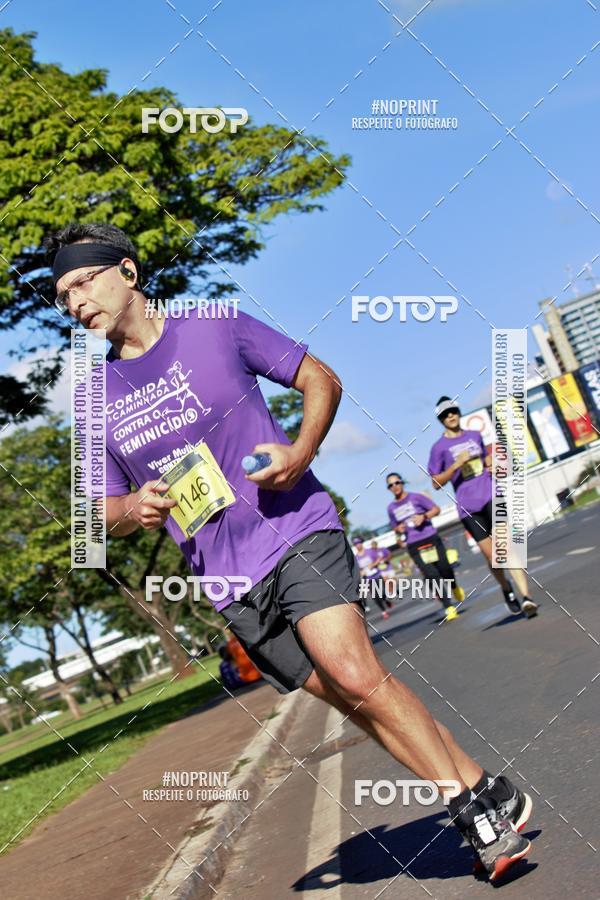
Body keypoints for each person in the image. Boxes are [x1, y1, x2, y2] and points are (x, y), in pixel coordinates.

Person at [46, 223, 532, 882]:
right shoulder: (93, 399)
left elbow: (318, 378)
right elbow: (97, 513)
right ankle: (487, 789)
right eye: (61, 295)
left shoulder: (215, 327)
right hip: (226, 580)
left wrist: (301, 452)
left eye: (83, 281)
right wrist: (133, 509)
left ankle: (472, 813)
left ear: (127, 272)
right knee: (353, 697)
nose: (74, 302)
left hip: (294, 527)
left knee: (354, 672)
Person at [428, 397, 538, 619]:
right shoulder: (438, 448)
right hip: (468, 506)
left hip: (491, 494)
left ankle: (527, 597)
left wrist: (490, 463)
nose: (451, 416)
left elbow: (488, 460)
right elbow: (436, 483)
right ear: (440, 420)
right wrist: (455, 466)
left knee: (506, 548)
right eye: (445, 414)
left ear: (458, 412)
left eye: (453, 411)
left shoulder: (474, 436)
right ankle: (506, 588)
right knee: (493, 556)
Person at [385, 472, 463, 621]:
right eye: (390, 485)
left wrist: (424, 516)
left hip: (430, 537)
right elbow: (394, 526)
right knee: (431, 575)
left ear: (402, 483)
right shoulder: (391, 508)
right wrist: (398, 531)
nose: (394, 486)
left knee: (444, 568)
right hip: (414, 544)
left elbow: (436, 509)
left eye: (397, 483)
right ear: (388, 489)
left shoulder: (416, 497)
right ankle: (448, 606)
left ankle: (454, 586)